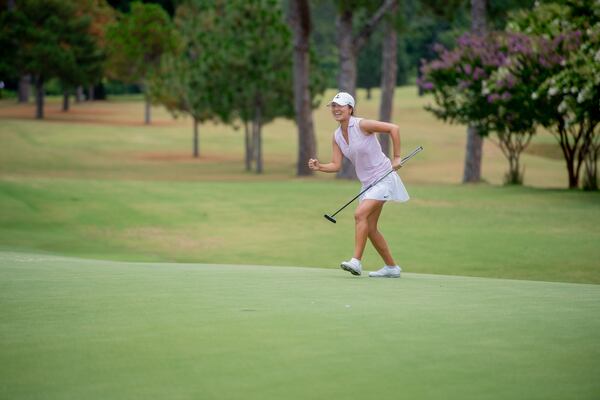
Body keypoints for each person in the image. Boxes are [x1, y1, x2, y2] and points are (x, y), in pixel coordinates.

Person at [308, 92, 409, 278]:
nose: (336, 109)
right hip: (368, 183)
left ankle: (356, 261)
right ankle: (391, 268)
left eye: (340, 106)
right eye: (333, 106)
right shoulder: (337, 135)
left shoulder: (362, 124)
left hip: (384, 176)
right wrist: (319, 166)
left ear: (350, 108)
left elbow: (394, 128)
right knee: (369, 228)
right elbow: (336, 165)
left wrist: (396, 157)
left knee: (359, 214)